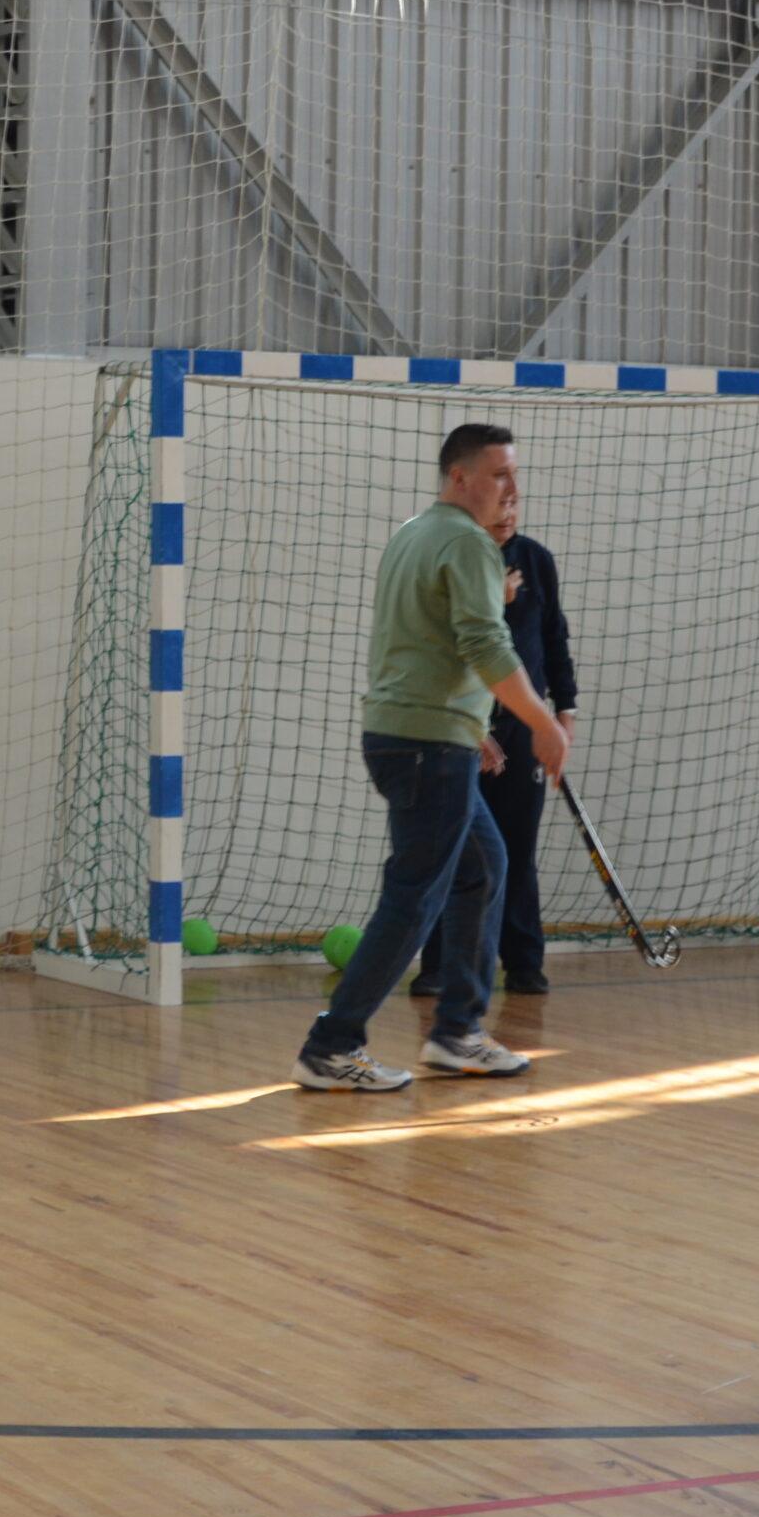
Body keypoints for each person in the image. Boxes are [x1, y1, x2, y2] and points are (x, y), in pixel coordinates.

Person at [293, 423, 571, 1092]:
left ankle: (457, 1032)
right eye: (500, 473)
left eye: (514, 473)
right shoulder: (468, 544)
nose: (513, 487)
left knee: (483, 868)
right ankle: (332, 1045)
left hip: (414, 735)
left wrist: (466, 719)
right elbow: (487, 648)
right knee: (414, 899)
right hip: (427, 747)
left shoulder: (413, 533)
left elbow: (420, 641)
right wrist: (543, 723)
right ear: (460, 479)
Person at [412, 498, 576, 996]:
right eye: (498, 503)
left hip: (525, 728)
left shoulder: (536, 560)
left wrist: (563, 713)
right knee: (457, 849)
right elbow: (451, 644)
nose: (507, 513)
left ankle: (524, 963)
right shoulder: (456, 558)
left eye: (515, 503)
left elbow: (553, 638)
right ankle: (438, 968)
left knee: (517, 849)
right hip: (462, 728)